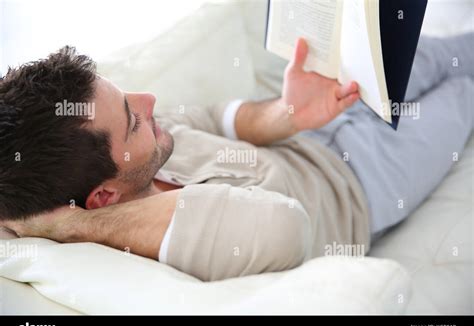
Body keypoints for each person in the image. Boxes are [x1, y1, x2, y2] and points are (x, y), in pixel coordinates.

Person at [1, 34, 472, 281]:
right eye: (134, 119)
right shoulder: (165, 253)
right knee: (464, 93)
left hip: (312, 128)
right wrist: (69, 226)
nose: (150, 99)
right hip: (364, 182)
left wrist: (289, 113)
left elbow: (211, 118)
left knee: (445, 52)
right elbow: (283, 227)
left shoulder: (140, 155)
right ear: (102, 198)